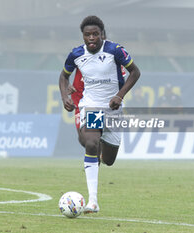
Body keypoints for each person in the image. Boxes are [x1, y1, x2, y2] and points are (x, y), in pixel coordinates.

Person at [59, 15, 140, 214]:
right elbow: (63, 76)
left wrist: (119, 96)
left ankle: (97, 152)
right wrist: (64, 96)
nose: (92, 38)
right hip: (91, 106)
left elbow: (135, 73)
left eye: (95, 34)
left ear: (102, 34)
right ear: (83, 36)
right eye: (88, 35)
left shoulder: (115, 50)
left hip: (112, 109)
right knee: (91, 143)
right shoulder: (76, 54)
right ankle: (93, 202)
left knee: (109, 160)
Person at [68, 29, 127, 147]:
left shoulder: (113, 55)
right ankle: (96, 156)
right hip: (81, 100)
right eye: (89, 36)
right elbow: (65, 74)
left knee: (94, 142)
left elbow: (122, 80)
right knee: (84, 140)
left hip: (103, 103)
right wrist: (67, 85)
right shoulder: (81, 54)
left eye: (97, 36)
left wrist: (118, 96)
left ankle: (99, 156)